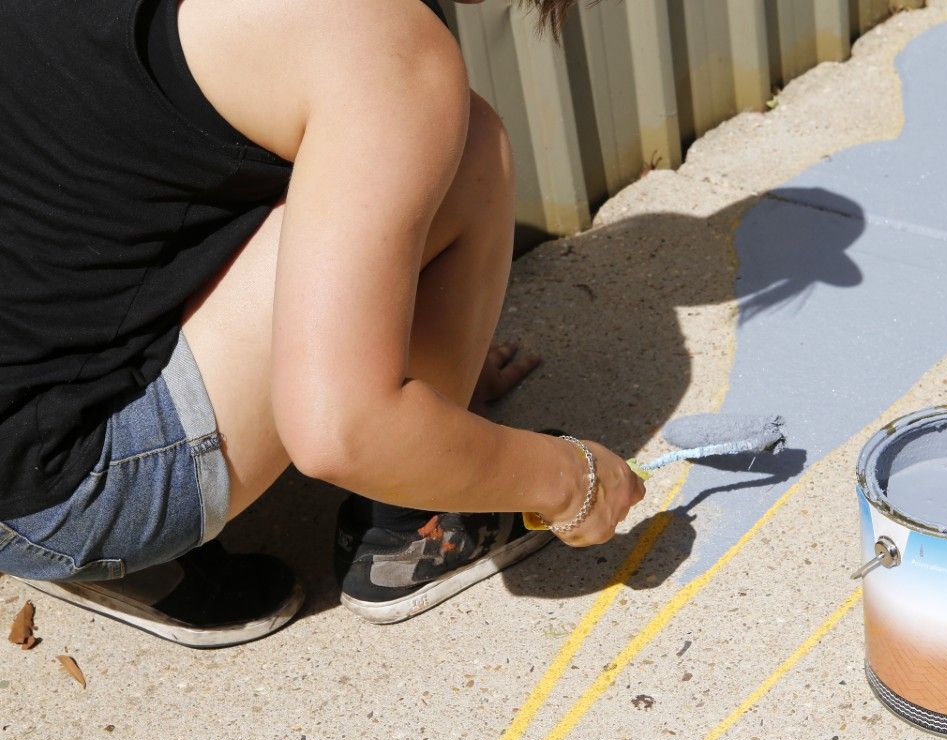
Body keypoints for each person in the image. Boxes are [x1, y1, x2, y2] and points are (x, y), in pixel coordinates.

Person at [0, 0, 645, 647]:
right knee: (465, 143)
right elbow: (343, 433)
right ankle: (415, 526)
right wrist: (568, 482)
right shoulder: (377, 38)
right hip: (61, 492)